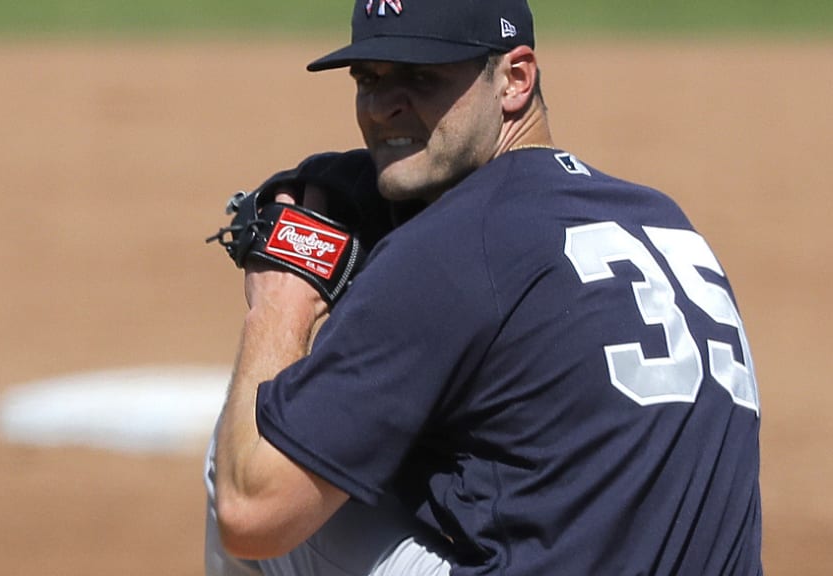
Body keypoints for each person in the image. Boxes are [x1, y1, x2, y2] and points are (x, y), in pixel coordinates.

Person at [211, 0, 763, 574]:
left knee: (244, 458)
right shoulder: (663, 218)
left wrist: (281, 304)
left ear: (514, 80)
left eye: (422, 76)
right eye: (369, 78)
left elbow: (251, 515)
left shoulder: (453, 243)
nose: (383, 106)